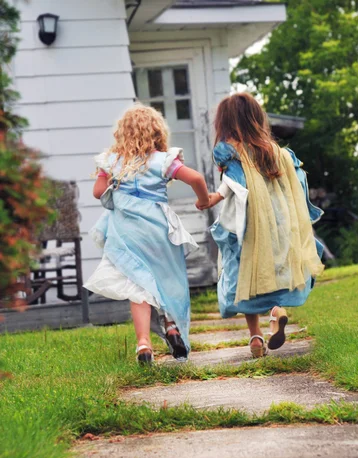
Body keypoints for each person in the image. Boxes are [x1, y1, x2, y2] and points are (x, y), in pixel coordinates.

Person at [199, 93, 324, 358]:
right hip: (280, 224)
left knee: (247, 274)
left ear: (225, 122)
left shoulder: (229, 149)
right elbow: (298, 182)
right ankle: (276, 312)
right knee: (276, 268)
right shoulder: (277, 152)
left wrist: (214, 198)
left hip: (249, 225)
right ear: (256, 118)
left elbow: (232, 182)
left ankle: (255, 338)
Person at [84, 103, 210, 364]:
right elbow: (196, 178)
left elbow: (97, 193)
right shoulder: (164, 160)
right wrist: (203, 200)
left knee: (138, 286)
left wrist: (108, 178)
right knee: (165, 279)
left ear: (122, 133)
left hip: (127, 233)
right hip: (158, 231)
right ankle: (172, 326)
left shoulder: (111, 161)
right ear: (156, 133)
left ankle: (143, 343)